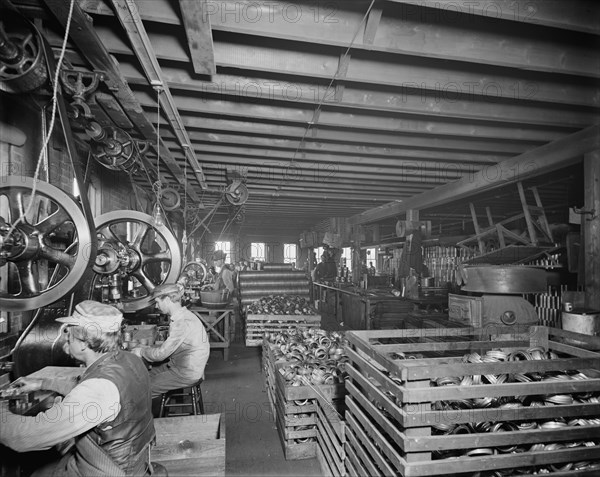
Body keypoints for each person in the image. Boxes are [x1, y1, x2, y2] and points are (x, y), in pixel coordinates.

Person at [0, 300, 155, 476]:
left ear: (83, 342)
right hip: (131, 461)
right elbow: (85, 386)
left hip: (105, 470)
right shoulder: (129, 359)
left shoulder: (97, 390)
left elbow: (23, 437)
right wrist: (42, 383)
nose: (65, 337)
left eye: (69, 333)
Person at [132, 283, 210, 402]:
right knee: (144, 375)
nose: (157, 306)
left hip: (186, 373)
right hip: (181, 365)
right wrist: (148, 348)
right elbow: (170, 347)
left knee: (143, 390)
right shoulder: (182, 316)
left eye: (158, 302)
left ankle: (146, 418)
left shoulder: (182, 322)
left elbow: (161, 355)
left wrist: (142, 351)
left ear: (168, 299)